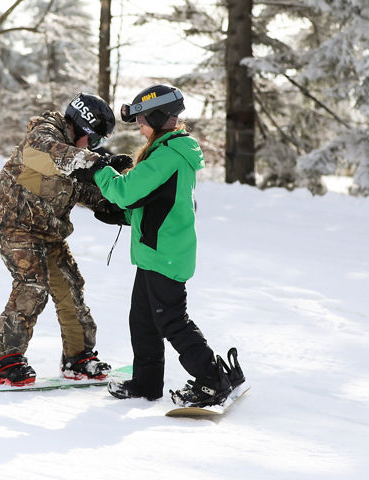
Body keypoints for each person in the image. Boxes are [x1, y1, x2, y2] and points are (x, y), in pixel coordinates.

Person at [71, 85, 244, 407]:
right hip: (156, 250)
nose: (139, 127)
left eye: (141, 120)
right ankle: (147, 382)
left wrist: (100, 171)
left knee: (172, 321)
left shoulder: (168, 154)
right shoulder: (169, 150)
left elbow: (125, 191)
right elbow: (154, 198)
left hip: (165, 253)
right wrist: (124, 214)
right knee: (143, 320)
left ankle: (211, 380)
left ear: (156, 115)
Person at [0, 93, 134, 386]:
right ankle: (4, 360)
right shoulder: (44, 135)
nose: (91, 147)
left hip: (48, 231)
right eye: (90, 140)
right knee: (33, 283)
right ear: (78, 126)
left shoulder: (75, 158)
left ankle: (78, 357)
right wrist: (97, 162)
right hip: (14, 226)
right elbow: (53, 155)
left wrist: (119, 206)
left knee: (70, 285)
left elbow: (84, 190)